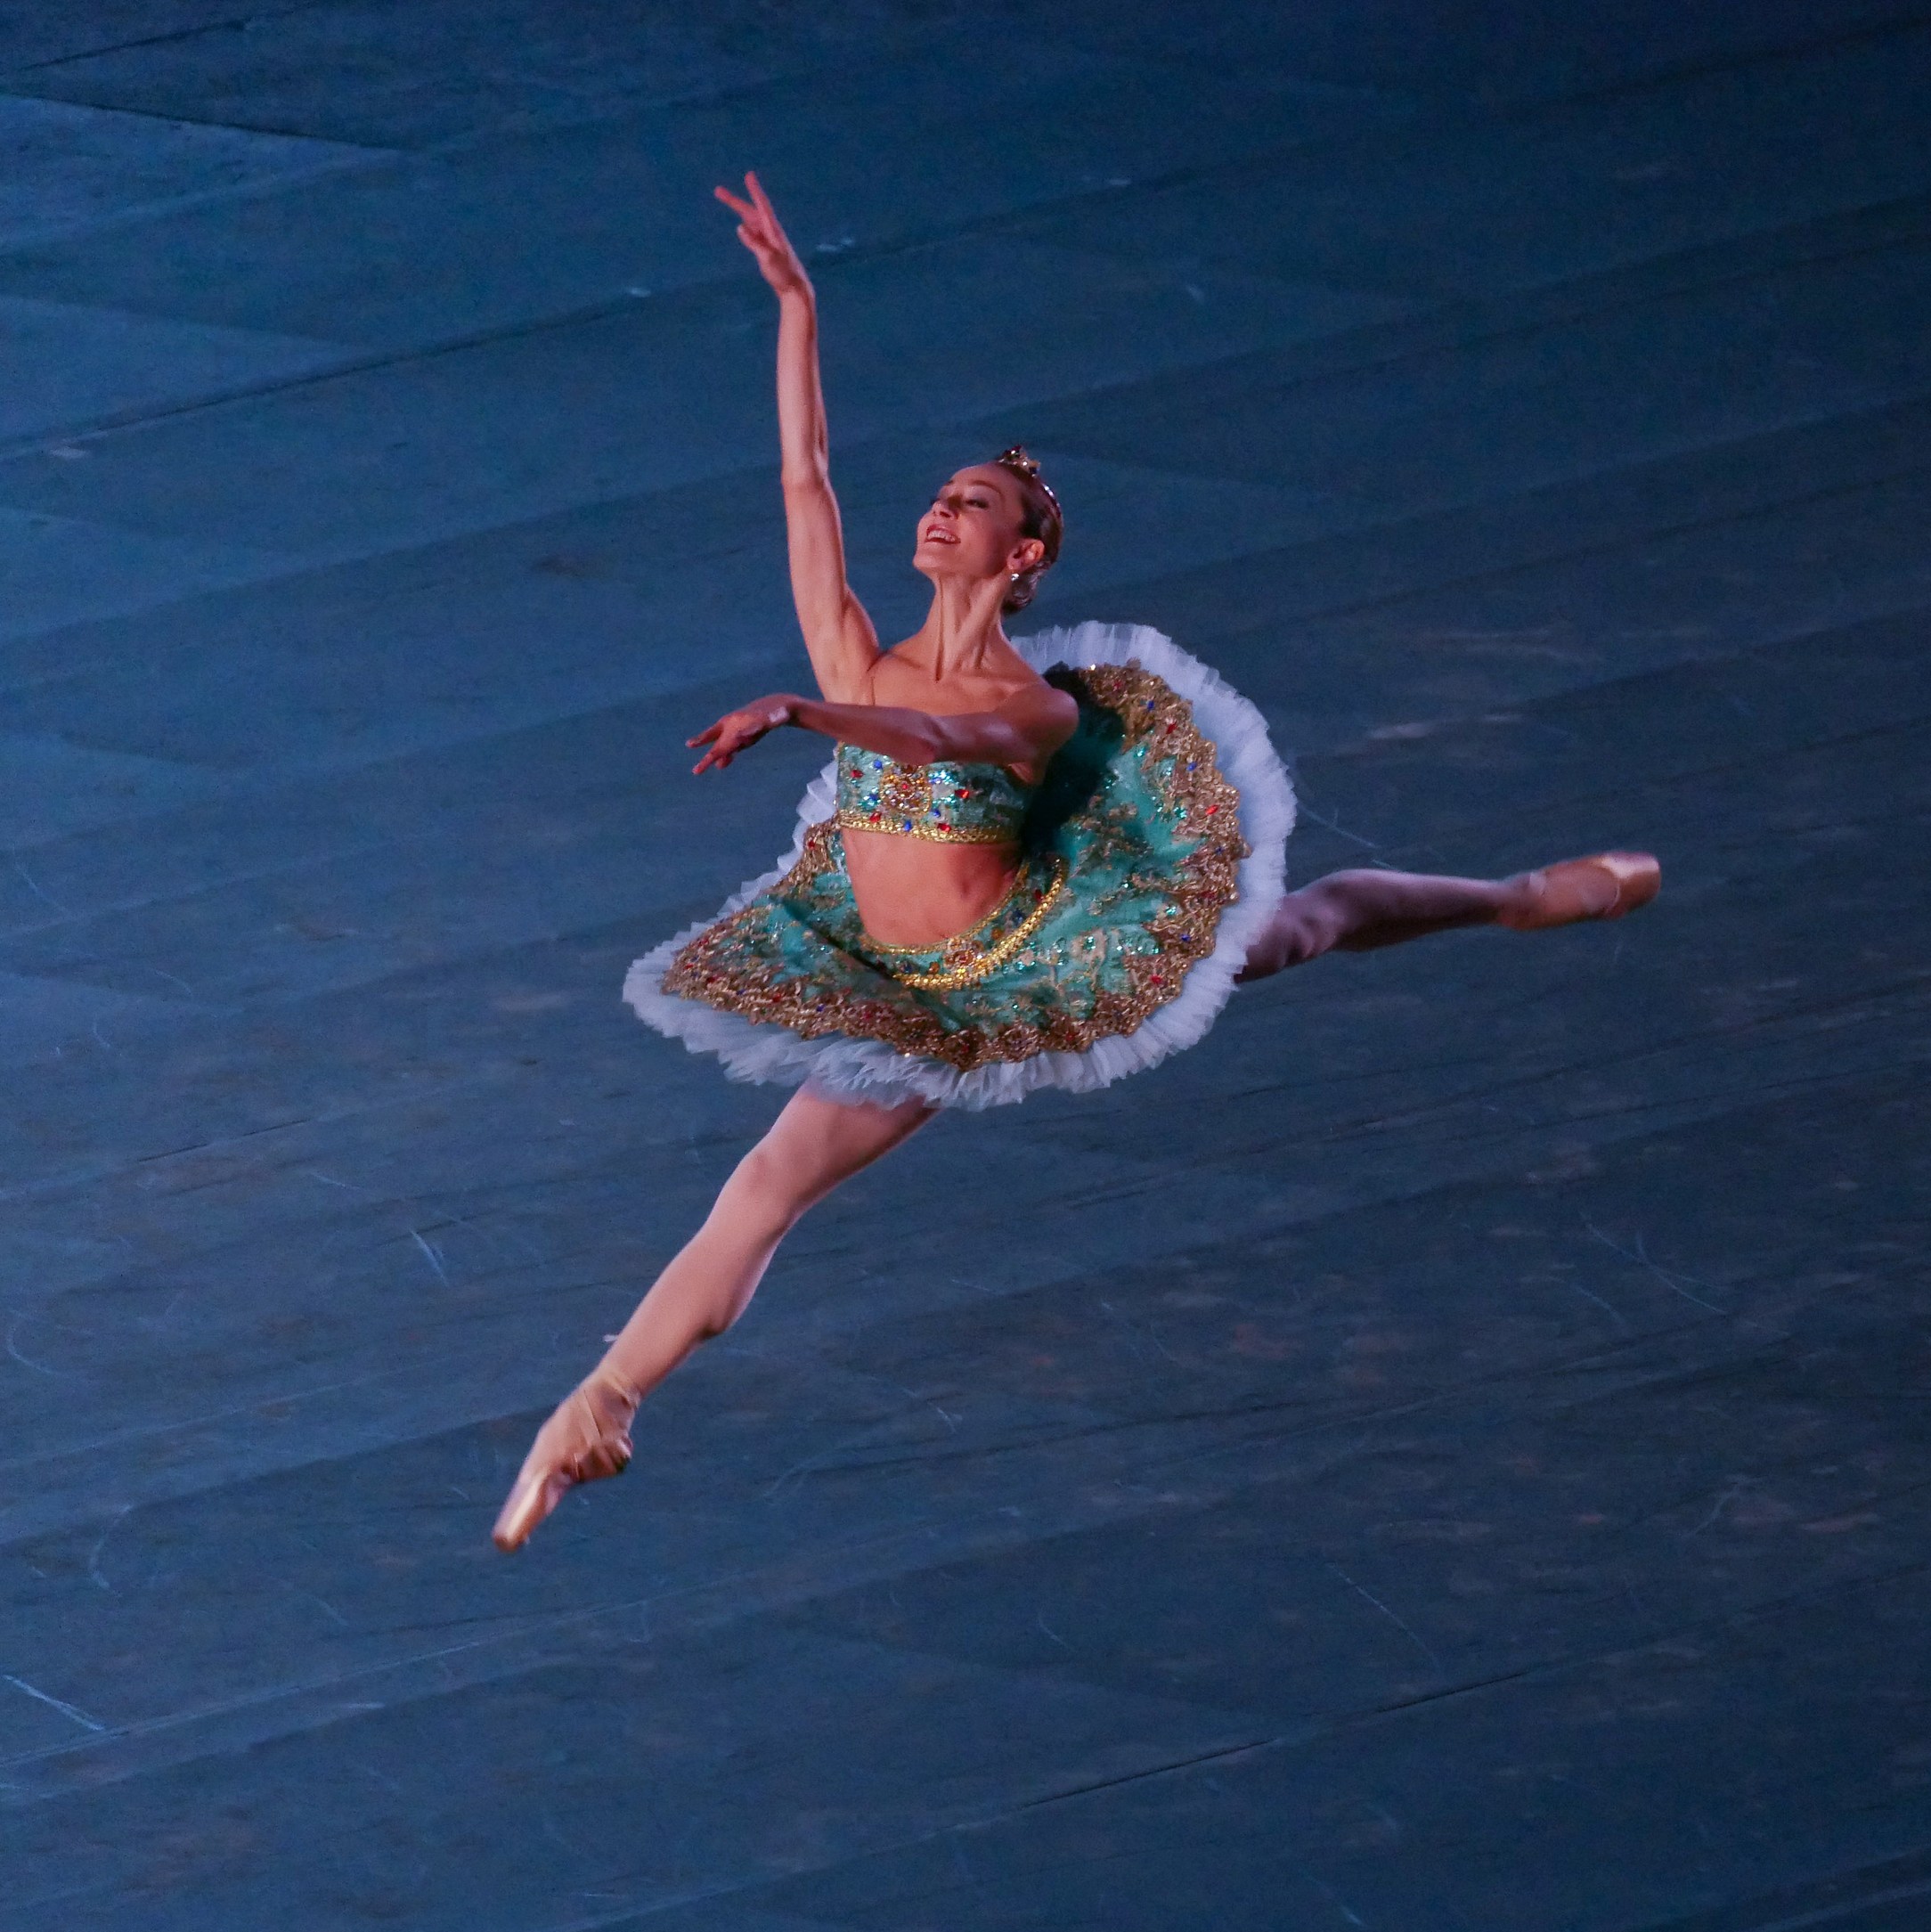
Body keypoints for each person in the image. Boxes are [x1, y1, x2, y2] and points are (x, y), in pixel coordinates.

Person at [493, 175, 1658, 1550]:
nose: (936, 514)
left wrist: (811, 713)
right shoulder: (859, 650)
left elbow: (933, 738)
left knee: (1308, 921)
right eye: (935, 496)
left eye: (969, 504)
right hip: (901, 981)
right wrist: (800, 309)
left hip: (1030, 957)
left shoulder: (1028, 709)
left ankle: (1519, 897)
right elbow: (803, 478)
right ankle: (608, 1401)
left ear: (1022, 552)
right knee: (763, 1189)